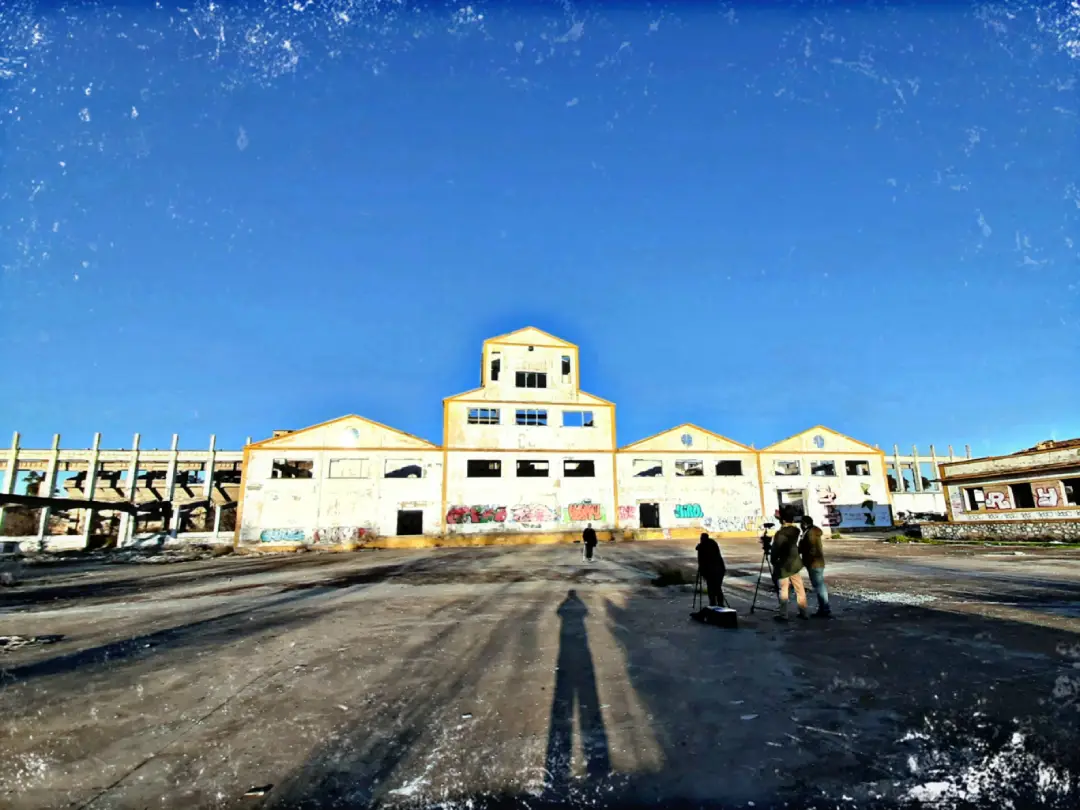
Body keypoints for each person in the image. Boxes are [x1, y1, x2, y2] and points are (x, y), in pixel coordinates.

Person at [770, 507, 809, 621]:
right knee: (799, 588)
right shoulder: (796, 531)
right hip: (795, 563)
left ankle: (783, 614)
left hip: (783, 564)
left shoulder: (780, 534)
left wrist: (773, 560)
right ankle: (804, 612)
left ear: (782, 520)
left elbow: (775, 549)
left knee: (783, 589)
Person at [799, 515, 832, 618]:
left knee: (819, 587)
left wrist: (806, 556)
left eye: (801, 523)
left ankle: (825, 609)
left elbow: (810, 548)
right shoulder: (812, 532)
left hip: (814, 563)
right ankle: (824, 609)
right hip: (816, 562)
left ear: (804, 523)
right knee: (820, 586)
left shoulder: (810, 533)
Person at [696, 532, 727, 607]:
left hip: (713, 570)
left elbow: (702, 561)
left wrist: (702, 572)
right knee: (716, 587)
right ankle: (718, 603)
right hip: (718, 570)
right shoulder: (712, 543)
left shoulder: (703, 547)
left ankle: (714, 603)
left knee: (712, 588)